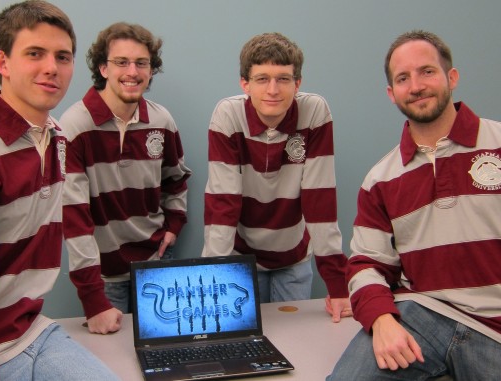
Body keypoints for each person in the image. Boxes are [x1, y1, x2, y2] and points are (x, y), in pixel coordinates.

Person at [0, 1, 121, 380]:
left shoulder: (56, 137)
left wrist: (93, 300)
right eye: (35, 53)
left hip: (29, 331)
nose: (52, 68)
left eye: (62, 57)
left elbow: (71, 225)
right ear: (3, 62)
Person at [328, 30, 501, 381]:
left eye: (427, 72)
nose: (417, 86)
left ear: (451, 77)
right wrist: (381, 320)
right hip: (422, 314)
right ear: (392, 94)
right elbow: (366, 265)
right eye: (403, 78)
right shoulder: (380, 179)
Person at [202, 32, 351, 322]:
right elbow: (223, 204)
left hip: (292, 255)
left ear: (298, 83)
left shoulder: (315, 111)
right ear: (244, 83)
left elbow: (319, 199)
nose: (273, 90)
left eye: (283, 79)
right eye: (262, 79)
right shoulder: (227, 115)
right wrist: (212, 278)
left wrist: (337, 284)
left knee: (293, 345)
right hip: (240, 257)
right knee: (241, 340)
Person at [61, 22, 191, 334]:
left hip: (155, 264)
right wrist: (93, 299)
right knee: (114, 365)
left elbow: (176, 179)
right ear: (103, 68)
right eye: (121, 62)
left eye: (141, 63)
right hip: (105, 276)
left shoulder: (162, 121)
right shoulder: (74, 127)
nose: (132, 71)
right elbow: (73, 217)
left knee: (161, 352)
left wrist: (174, 225)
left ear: (151, 70)